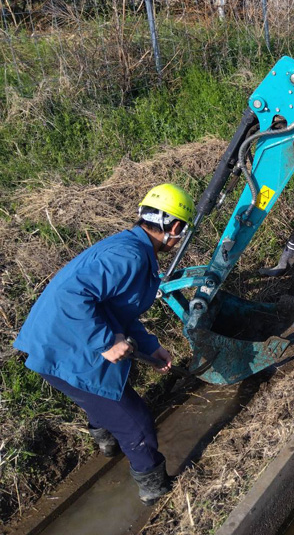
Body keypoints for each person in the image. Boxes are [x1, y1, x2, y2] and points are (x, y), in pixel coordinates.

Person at [13, 183, 195, 506]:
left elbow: (116, 309)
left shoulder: (131, 249)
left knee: (108, 396)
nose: (181, 238)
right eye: (183, 231)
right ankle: (156, 494)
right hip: (65, 346)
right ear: (175, 227)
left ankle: (106, 442)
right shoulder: (130, 257)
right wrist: (106, 340)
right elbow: (73, 296)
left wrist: (150, 346)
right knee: (138, 427)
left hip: (66, 340)